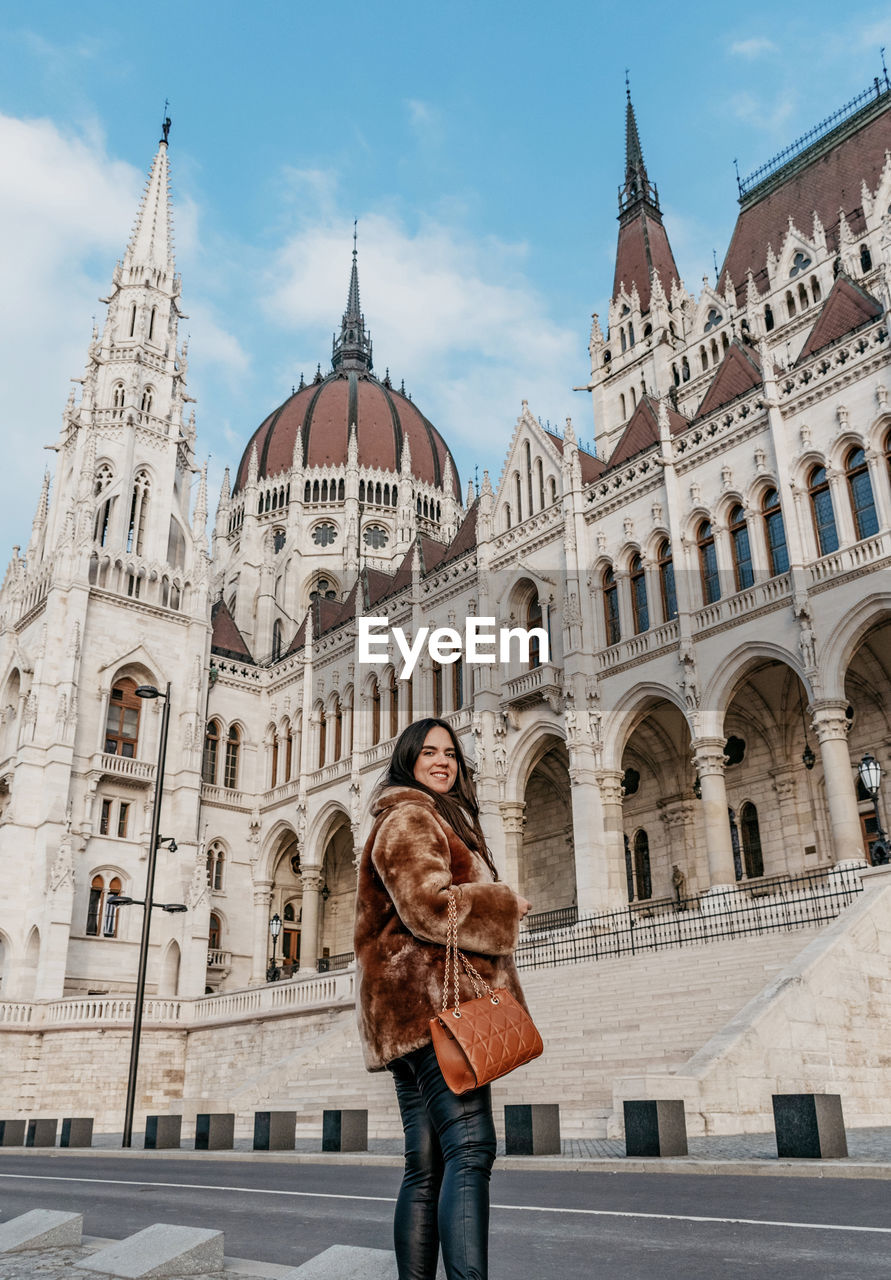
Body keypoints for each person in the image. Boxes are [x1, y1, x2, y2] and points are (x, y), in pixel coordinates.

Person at [354, 717, 531, 1280]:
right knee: (471, 1150)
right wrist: (503, 902)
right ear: (408, 760)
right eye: (429, 752)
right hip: (432, 1008)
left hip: (406, 1015)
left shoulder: (424, 817)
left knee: (426, 1165)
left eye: (450, 754)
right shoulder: (409, 817)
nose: (442, 762)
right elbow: (427, 904)